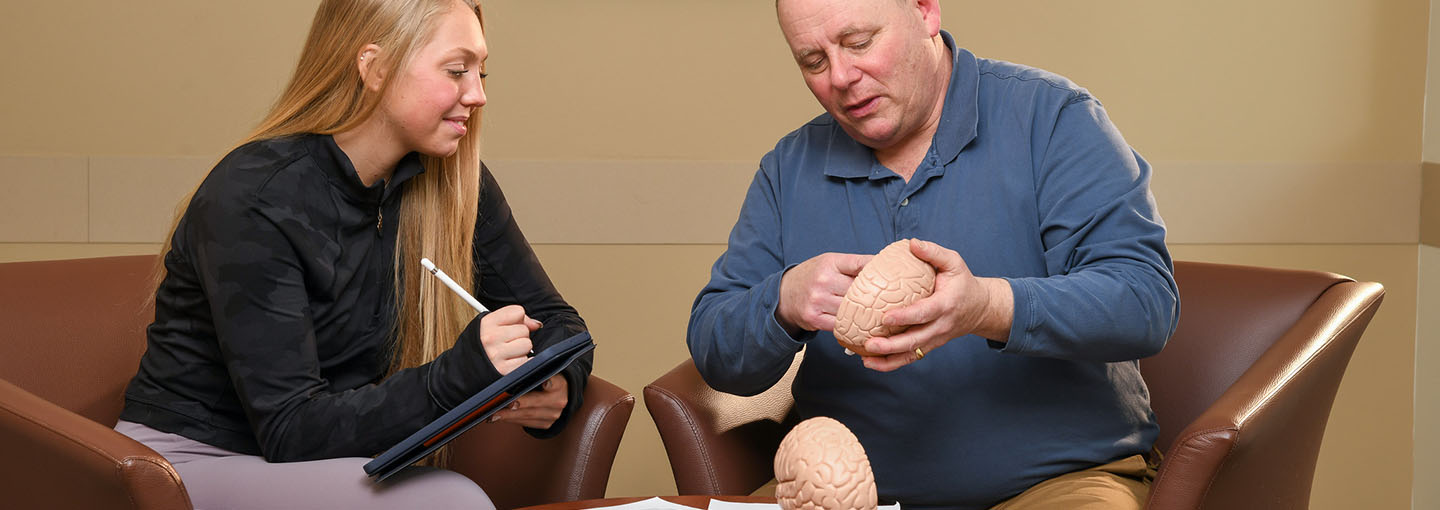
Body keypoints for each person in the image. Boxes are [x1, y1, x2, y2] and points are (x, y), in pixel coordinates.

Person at [687, 0, 1179, 508]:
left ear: (925, 11)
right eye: (813, 61)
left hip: (1057, 483)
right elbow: (715, 350)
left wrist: (986, 307)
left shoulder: (1053, 118)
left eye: (859, 43)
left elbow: (1144, 303)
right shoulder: (788, 167)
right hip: (847, 496)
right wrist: (783, 301)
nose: (840, 76)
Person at [114, 1, 592, 508]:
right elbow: (289, 429)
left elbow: (562, 324)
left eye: (481, 71)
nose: (478, 94)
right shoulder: (255, 195)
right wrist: (460, 375)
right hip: (187, 463)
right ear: (375, 67)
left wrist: (558, 386)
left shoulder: (455, 185)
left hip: (336, 459)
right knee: (452, 501)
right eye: (456, 71)